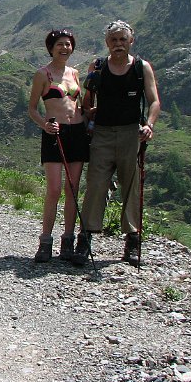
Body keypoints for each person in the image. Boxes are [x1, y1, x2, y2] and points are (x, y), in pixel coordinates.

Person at [72, 20, 160, 267]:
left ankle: (133, 240)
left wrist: (149, 125)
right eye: (114, 39)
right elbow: (87, 101)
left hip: (131, 133)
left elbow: (154, 101)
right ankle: (85, 238)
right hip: (101, 133)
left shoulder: (142, 68)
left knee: (131, 184)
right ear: (107, 42)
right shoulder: (97, 67)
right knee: (96, 184)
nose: (118, 44)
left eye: (123, 39)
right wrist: (89, 111)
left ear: (131, 41)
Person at [27, 29, 90, 262]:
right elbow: (32, 108)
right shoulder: (42, 75)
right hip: (54, 133)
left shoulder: (75, 73)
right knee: (53, 190)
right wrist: (44, 125)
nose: (65, 48)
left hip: (77, 133)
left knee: (72, 190)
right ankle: (45, 241)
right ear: (51, 48)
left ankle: (68, 240)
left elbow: (79, 104)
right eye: (60, 45)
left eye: (68, 45)